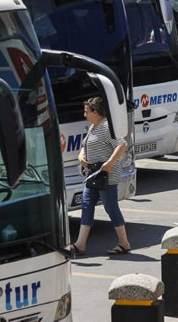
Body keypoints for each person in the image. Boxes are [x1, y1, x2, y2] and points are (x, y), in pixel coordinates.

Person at [70, 97, 131, 255]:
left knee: (111, 207)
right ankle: (80, 244)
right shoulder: (93, 128)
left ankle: (124, 243)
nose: (85, 115)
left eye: (86, 111)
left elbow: (122, 144)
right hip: (94, 175)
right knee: (86, 205)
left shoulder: (107, 127)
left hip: (106, 175)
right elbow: (84, 145)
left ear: (95, 113)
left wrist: (109, 164)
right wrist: (81, 155)